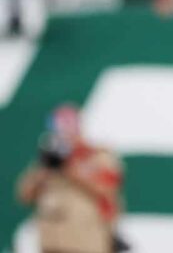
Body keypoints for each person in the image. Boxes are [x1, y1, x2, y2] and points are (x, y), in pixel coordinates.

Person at [16, 104, 125, 253]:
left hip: (86, 241)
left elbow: (107, 190)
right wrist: (45, 171)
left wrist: (71, 170)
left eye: (68, 125)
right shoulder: (48, 161)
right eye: (58, 126)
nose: (64, 132)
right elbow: (25, 195)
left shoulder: (96, 156)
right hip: (51, 242)